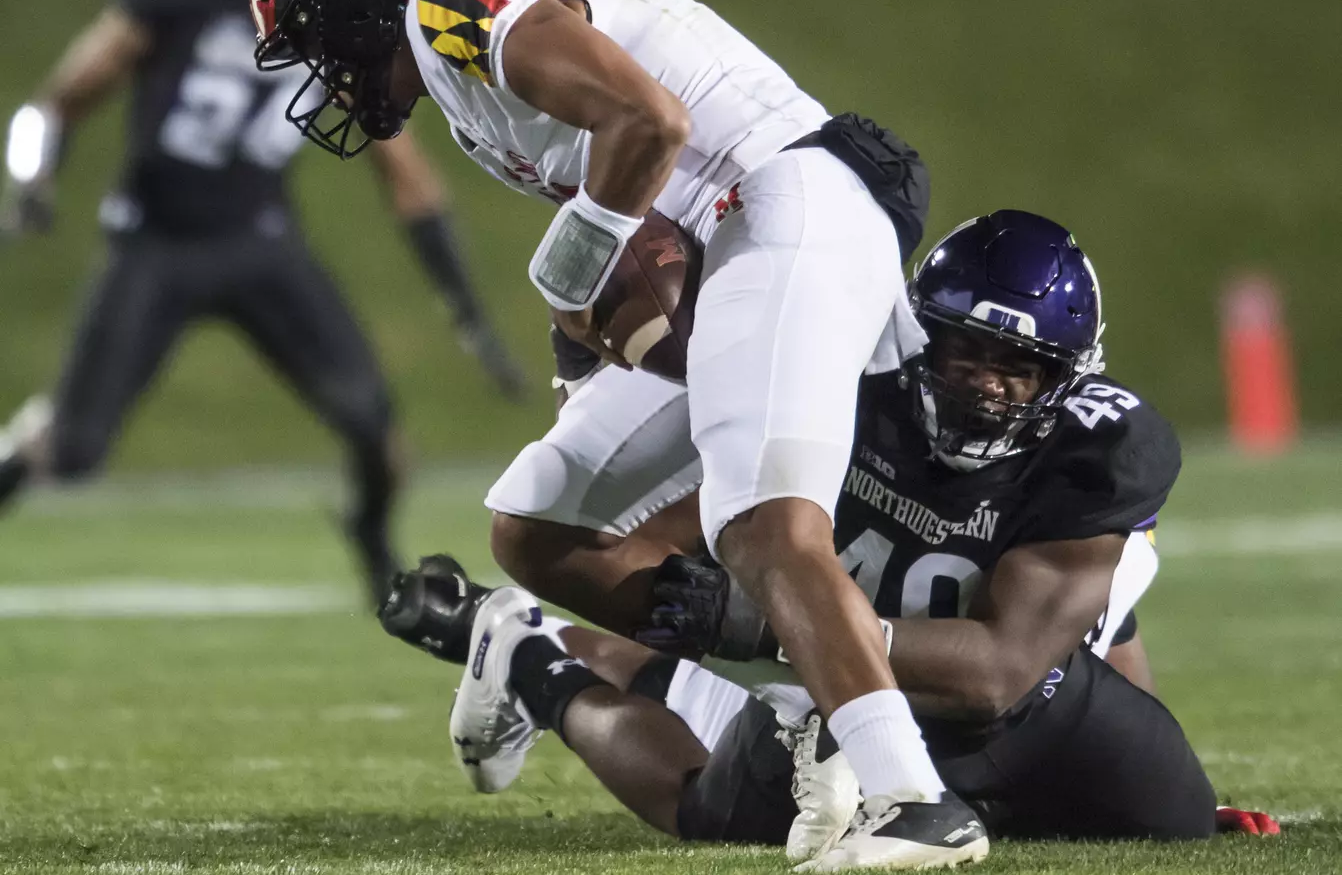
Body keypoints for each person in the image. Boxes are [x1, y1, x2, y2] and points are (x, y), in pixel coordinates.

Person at [254, 0, 989, 869]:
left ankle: (914, 797)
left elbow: (646, 122)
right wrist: (591, 341)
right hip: (739, 233)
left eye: (312, 27)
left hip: (781, 198)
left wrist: (570, 262)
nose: (319, 65)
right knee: (540, 525)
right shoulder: (460, 68)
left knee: (767, 524)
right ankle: (805, 704)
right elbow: (633, 221)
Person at [380, 211, 1227, 857]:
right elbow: (692, 526)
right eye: (963, 352)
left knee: (1186, 828)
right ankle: (538, 666)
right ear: (917, 336)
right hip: (830, 701)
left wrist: (781, 628)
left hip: (1030, 709)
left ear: (1068, 376)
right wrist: (743, 614)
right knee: (701, 805)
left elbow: (1012, 666)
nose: (986, 386)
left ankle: (530, 639)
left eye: (1017, 366)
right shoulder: (847, 376)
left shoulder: (1104, 449)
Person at [0, 0, 523, 605]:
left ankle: (373, 540)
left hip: (260, 239)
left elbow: (401, 166)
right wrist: (31, 177)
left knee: (374, 424)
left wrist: (462, 303)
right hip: (156, 239)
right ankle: (23, 450)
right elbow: (63, 95)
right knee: (73, 451)